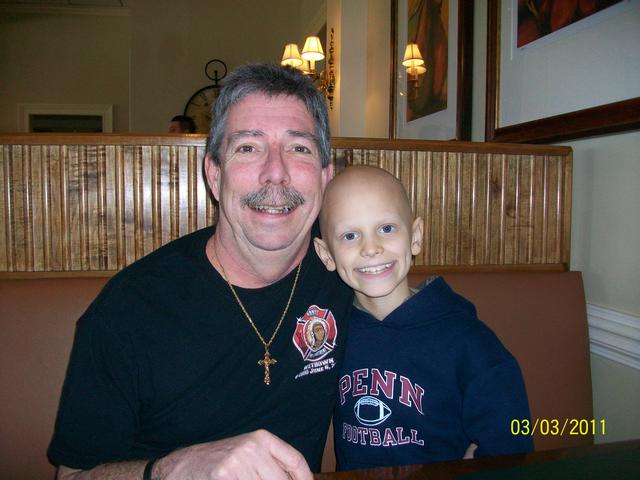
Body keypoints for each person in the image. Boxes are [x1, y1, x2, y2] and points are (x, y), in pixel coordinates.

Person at [48, 64, 352, 480]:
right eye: (248, 147)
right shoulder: (129, 310)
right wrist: (170, 470)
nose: (275, 172)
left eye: (299, 148)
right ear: (214, 173)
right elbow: (71, 477)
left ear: (325, 176)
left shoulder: (349, 268)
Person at [313, 166, 533, 471]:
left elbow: (512, 437)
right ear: (326, 254)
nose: (371, 248)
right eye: (350, 235)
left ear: (415, 237)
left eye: (387, 228)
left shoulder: (467, 339)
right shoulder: (330, 336)